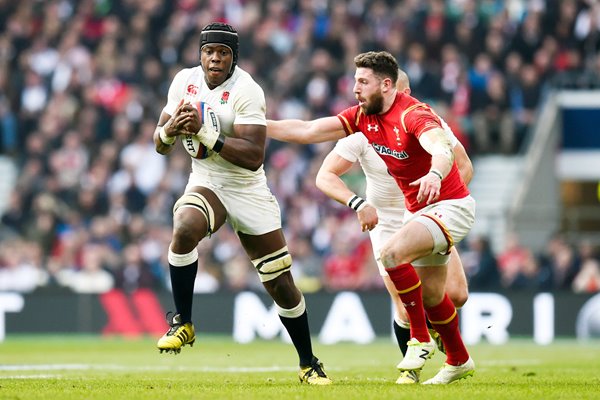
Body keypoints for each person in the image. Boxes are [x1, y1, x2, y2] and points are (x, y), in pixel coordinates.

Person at [267, 51, 476, 384]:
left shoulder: (415, 114)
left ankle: (420, 340)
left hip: (444, 208)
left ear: (390, 87)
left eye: (362, 82)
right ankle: (457, 360)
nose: (355, 89)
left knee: (431, 280)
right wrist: (251, 125)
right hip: (403, 216)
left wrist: (436, 176)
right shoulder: (362, 121)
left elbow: (443, 148)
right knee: (431, 296)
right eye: (355, 82)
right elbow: (307, 130)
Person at [152, 22, 331, 385]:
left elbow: (253, 156)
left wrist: (205, 131)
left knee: (280, 283)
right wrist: (170, 131)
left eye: (223, 52)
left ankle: (308, 362)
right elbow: (159, 141)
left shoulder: (247, 90)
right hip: (207, 180)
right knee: (185, 225)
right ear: (199, 54)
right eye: (208, 51)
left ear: (234, 57)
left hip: (247, 188)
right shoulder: (184, 81)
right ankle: (183, 322)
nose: (214, 58)